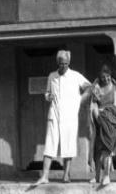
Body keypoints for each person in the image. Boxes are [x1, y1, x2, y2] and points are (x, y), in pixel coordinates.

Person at [35, 50, 92, 185]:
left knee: (68, 144)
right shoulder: (52, 76)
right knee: (50, 143)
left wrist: (80, 100)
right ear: (57, 63)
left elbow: (90, 87)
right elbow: (47, 93)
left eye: (66, 64)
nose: (64, 66)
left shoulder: (75, 76)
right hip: (54, 114)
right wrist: (49, 96)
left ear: (69, 63)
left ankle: (66, 175)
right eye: (61, 64)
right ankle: (45, 176)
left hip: (70, 115)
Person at [89, 64, 116, 186]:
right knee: (98, 149)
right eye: (103, 77)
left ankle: (106, 176)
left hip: (110, 119)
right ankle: (97, 176)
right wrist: (97, 115)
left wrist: (109, 116)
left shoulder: (114, 87)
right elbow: (94, 104)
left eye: (108, 77)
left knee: (107, 148)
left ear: (110, 76)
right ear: (100, 77)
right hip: (99, 119)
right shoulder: (97, 87)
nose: (106, 79)